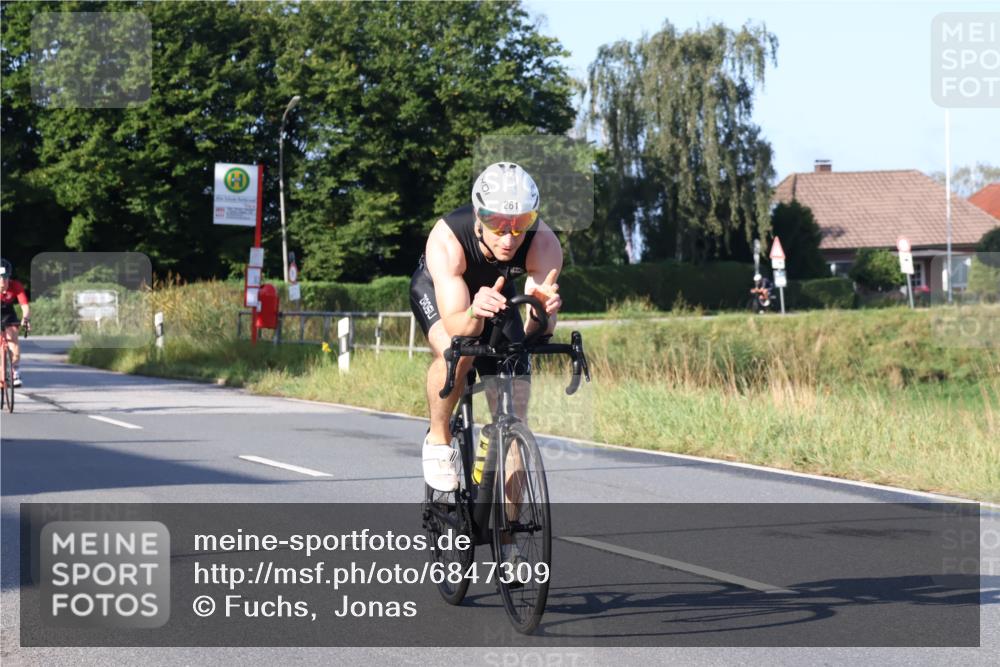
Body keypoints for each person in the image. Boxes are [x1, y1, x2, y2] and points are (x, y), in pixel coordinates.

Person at [410, 163, 563, 492]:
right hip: (441, 294)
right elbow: (455, 326)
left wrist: (541, 312)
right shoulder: (448, 238)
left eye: (521, 225)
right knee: (457, 354)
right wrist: (474, 313)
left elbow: (538, 331)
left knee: (515, 409)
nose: (509, 238)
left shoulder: (544, 244)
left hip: (496, 294)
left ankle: (509, 539)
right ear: (480, 216)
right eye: (498, 225)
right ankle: (438, 439)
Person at [0, 259, 31, 387]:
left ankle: (14, 371)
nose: (2, 281)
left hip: (8, 312)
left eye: (5, 277)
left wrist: (26, 318)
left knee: (13, 336)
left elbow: (25, 306)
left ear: (9, 277)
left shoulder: (16, 285)